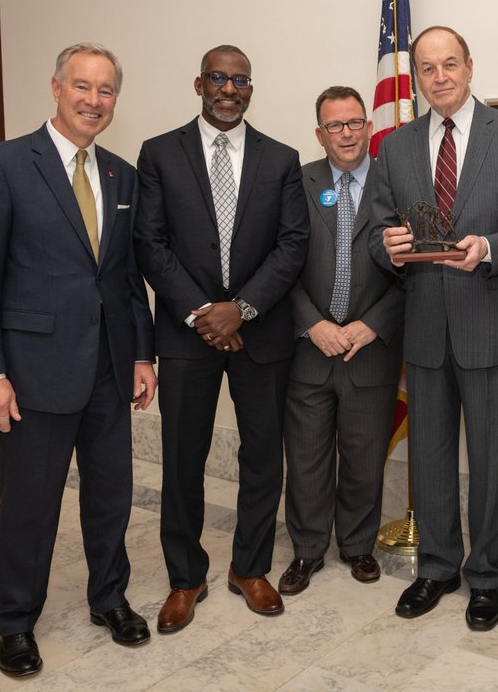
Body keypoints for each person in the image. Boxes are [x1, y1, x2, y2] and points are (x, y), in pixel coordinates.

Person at [0, 43, 157, 677]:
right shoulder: (4, 165)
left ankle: (110, 599)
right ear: (55, 88)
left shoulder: (123, 175)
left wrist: (143, 356)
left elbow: (125, 280)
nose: (94, 101)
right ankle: (15, 621)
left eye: (105, 91)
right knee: (30, 503)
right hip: (33, 372)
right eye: (82, 87)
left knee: (111, 497)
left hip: (108, 368)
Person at [369, 25, 498, 631]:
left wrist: (489, 248)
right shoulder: (394, 146)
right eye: (428, 68)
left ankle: (484, 577)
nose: (440, 77)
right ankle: (437, 567)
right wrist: (389, 246)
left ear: (470, 67)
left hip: (492, 327)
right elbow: (375, 231)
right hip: (423, 328)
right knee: (431, 457)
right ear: (416, 77)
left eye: (451, 64)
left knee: (490, 461)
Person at [133, 45, 309, 632]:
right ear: (198, 83)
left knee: (263, 456)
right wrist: (205, 313)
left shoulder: (281, 159)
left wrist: (244, 309)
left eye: (239, 80)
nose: (228, 89)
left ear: (251, 90)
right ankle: (186, 577)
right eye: (218, 78)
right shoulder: (159, 153)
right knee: (184, 458)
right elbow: (150, 244)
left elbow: (292, 245)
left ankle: (249, 568)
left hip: (262, 334)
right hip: (188, 336)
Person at [277, 86, 403, 595]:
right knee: (305, 459)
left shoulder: (394, 183)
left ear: (369, 128)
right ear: (319, 134)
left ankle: (356, 546)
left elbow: (412, 270)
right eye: (335, 126)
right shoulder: (295, 182)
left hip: (370, 348)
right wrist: (312, 323)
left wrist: (371, 324)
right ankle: (307, 550)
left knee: (364, 456)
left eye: (354, 123)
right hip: (310, 349)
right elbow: (278, 262)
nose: (346, 133)